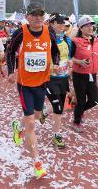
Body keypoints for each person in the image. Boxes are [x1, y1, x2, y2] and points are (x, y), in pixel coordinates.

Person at [6, 3, 59, 179]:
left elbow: (55, 51)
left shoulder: (49, 31)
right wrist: (12, 70)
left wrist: (56, 64)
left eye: (40, 15)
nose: (37, 18)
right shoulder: (21, 32)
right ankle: (37, 163)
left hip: (41, 83)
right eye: (33, 15)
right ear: (27, 17)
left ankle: (17, 126)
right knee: (31, 124)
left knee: (36, 116)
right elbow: (10, 51)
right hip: (25, 84)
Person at [39, 13, 72, 148]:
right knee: (58, 107)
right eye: (59, 23)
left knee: (59, 106)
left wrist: (69, 64)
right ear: (51, 24)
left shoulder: (67, 40)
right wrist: (52, 68)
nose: (62, 25)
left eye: (63, 23)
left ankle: (44, 113)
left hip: (63, 78)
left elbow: (69, 57)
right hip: (49, 79)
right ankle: (56, 135)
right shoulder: (45, 39)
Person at [71, 15, 98, 132]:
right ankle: (76, 122)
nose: (90, 28)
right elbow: (67, 57)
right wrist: (78, 61)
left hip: (92, 74)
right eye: (86, 26)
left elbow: (95, 54)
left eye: (91, 26)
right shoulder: (75, 41)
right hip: (79, 75)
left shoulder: (96, 40)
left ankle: (79, 110)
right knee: (81, 100)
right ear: (81, 28)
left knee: (94, 100)